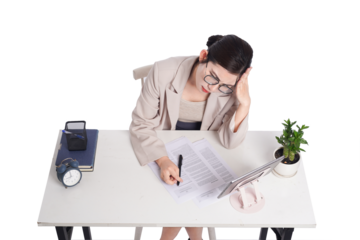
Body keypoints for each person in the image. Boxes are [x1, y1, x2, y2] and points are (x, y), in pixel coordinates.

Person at [129, 32, 254, 240]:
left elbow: (229, 142)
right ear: (203, 55)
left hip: (202, 153)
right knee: (188, 221)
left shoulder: (229, 90)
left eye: (224, 86)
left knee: (193, 207)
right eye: (212, 76)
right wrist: (162, 160)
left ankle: (179, 229)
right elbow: (141, 123)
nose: (213, 88)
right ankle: (187, 229)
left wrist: (244, 105)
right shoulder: (163, 70)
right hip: (161, 147)